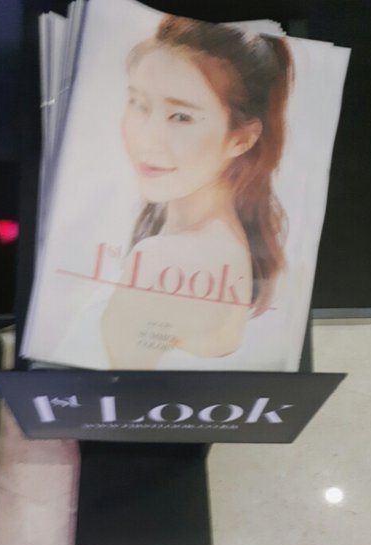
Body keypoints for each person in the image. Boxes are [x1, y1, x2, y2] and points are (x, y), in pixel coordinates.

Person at [101, 15, 293, 369]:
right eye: (139, 104)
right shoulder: (226, 239)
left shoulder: (165, 258)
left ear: (242, 138)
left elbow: (121, 395)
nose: (145, 137)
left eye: (181, 117)